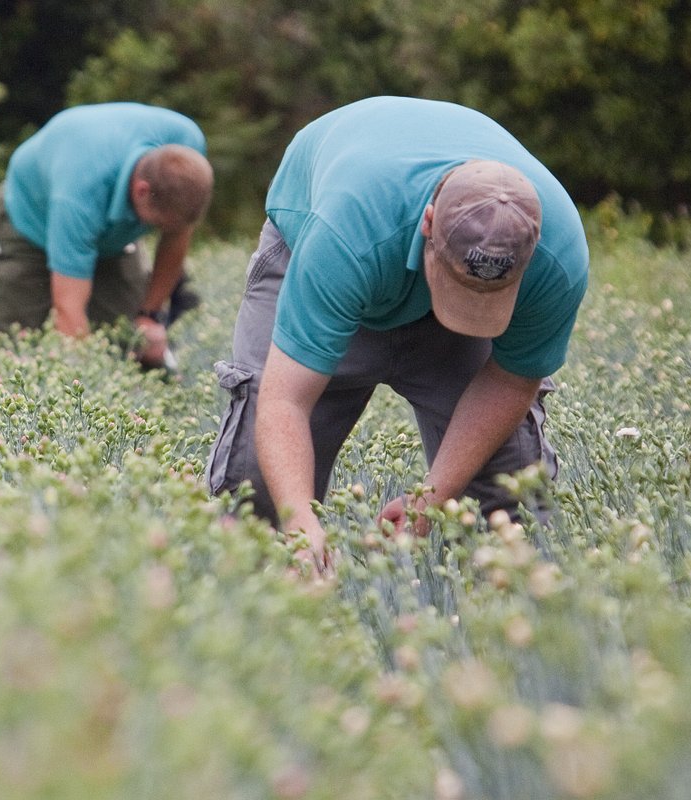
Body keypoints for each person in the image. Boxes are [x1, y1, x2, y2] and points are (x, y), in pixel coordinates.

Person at [205, 96, 589, 572]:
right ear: (429, 224)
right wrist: (300, 524)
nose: (464, 311)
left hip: (396, 244)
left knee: (505, 498)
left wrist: (432, 498)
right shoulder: (345, 234)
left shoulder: (559, 258)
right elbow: (285, 402)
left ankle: (493, 635)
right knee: (260, 495)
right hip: (340, 242)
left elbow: (511, 379)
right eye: (459, 289)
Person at [0, 102, 213, 368]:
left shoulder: (188, 145)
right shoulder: (78, 194)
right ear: (141, 191)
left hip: (107, 227)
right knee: (8, 350)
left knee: (126, 339)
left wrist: (149, 314)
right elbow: (69, 311)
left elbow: (177, 235)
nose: (163, 231)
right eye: (159, 224)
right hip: (30, 222)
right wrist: (86, 395)